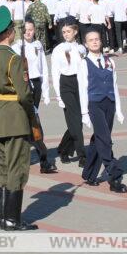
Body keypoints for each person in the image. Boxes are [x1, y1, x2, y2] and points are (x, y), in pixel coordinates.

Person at [0, 5, 38, 231]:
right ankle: (12, 220)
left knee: (5, 168)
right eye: (13, 30)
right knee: (17, 169)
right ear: (8, 33)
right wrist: (31, 110)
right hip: (16, 117)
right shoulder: (13, 59)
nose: (15, 32)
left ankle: (4, 218)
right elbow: (24, 94)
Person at [78, 28, 127, 193]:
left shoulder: (110, 62)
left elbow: (115, 86)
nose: (94, 42)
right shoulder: (84, 63)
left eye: (97, 39)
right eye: (91, 40)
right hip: (94, 104)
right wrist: (84, 113)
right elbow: (82, 89)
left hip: (109, 103)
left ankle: (90, 174)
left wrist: (119, 109)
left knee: (99, 139)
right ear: (85, 44)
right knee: (105, 139)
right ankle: (114, 176)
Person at [13, 18, 57, 173]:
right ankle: (43, 158)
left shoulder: (38, 45)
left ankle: (39, 157)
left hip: (36, 83)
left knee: (33, 121)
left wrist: (45, 91)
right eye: (25, 30)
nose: (28, 32)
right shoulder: (17, 46)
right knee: (33, 122)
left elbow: (44, 68)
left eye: (31, 29)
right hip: (24, 85)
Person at [51, 17, 86, 166]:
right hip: (65, 84)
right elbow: (55, 73)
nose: (65, 34)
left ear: (75, 31)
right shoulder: (58, 49)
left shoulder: (82, 48)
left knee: (77, 122)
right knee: (75, 121)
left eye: (68, 31)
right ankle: (82, 155)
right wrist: (58, 95)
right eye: (63, 32)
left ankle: (63, 149)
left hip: (80, 84)